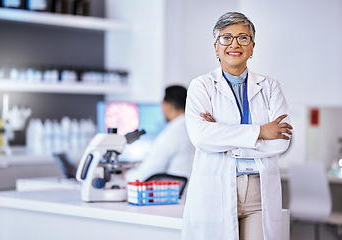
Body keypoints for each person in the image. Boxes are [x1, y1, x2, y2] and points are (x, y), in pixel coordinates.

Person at [182, 12, 293, 240]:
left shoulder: (270, 86)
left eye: (243, 38)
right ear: (216, 47)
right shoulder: (201, 86)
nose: (234, 44)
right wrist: (260, 131)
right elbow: (201, 137)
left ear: (252, 47)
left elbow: (281, 141)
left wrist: (222, 136)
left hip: (258, 192)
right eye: (226, 38)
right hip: (216, 189)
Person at [124, 85, 195, 183]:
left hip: (174, 195)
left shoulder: (173, 132)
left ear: (168, 106)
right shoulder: (193, 127)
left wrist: (126, 176)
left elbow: (148, 172)